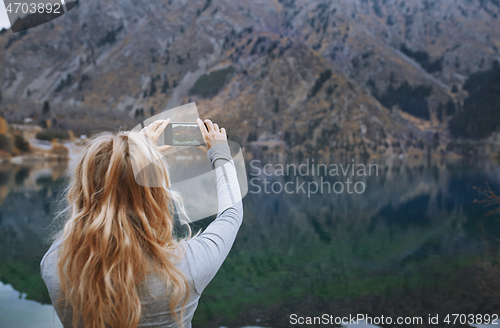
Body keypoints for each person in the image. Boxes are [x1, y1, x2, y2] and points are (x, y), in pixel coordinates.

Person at [40, 118, 243, 328]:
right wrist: (220, 154)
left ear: (80, 191)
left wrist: (130, 158)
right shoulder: (186, 269)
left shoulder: (55, 266)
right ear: (156, 197)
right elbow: (232, 213)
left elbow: (87, 213)